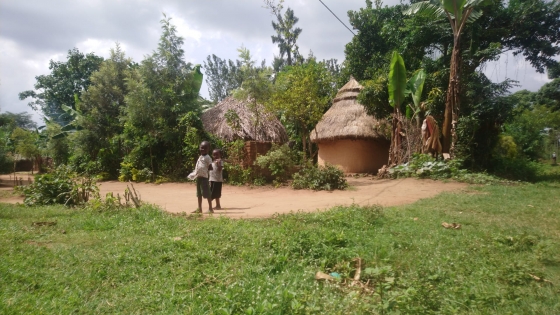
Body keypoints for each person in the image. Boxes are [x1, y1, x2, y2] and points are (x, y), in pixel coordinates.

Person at [189, 141, 213, 213]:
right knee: (199, 194)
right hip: (198, 178)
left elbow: (210, 167)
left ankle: (210, 209)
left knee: (207, 193)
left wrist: (205, 170)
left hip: (204, 178)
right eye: (201, 148)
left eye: (205, 148)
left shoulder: (208, 157)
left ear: (208, 149)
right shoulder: (200, 157)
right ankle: (199, 208)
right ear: (199, 148)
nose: (203, 149)